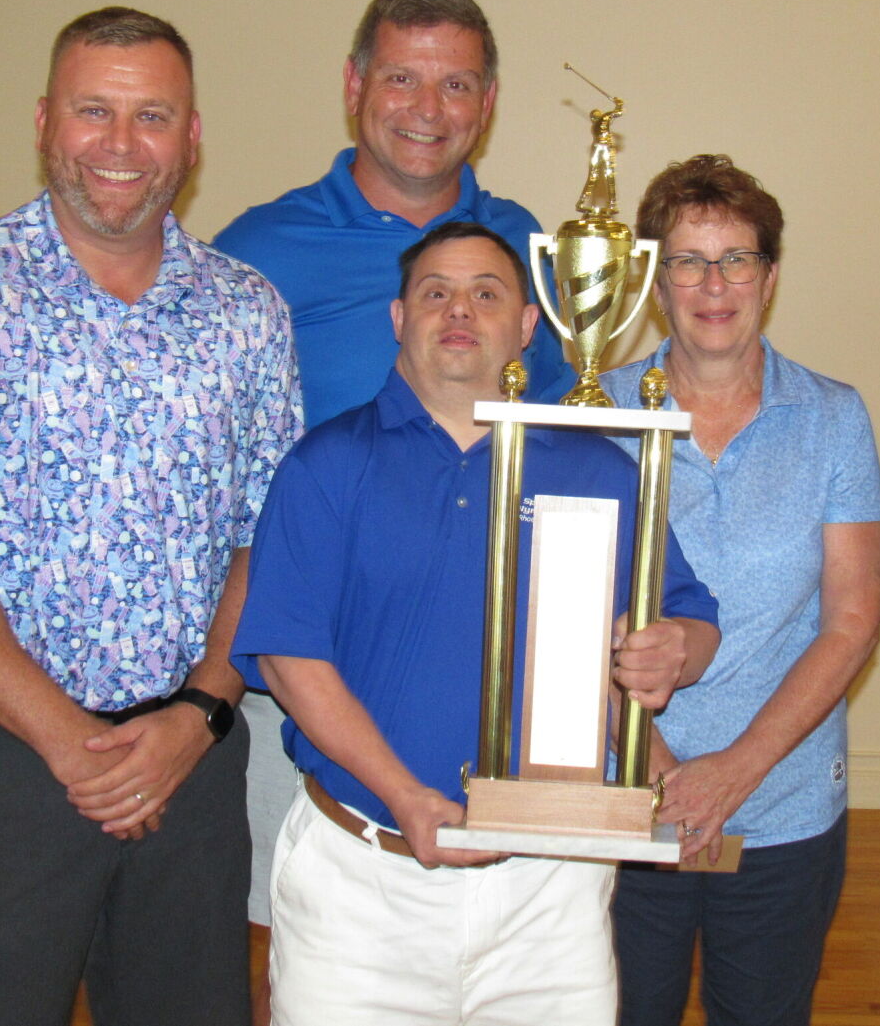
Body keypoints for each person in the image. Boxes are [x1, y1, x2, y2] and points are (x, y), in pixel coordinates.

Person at [0, 7, 301, 1025]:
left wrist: (198, 714)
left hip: (193, 763)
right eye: (94, 111)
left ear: (192, 134)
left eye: (152, 115)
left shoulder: (246, 312)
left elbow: (268, 540)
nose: (121, 145)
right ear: (45, 122)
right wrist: (69, 744)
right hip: (4, 763)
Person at [231, 221, 720, 1026]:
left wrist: (676, 649)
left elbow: (691, 619)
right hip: (363, 877)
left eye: (486, 294)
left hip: (550, 893)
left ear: (529, 325)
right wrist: (407, 796)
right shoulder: (324, 465)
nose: (459, 310)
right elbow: (288, 660)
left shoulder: (596, 465)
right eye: (435, 292)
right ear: (398, 318)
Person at [211, 0, 572, 977]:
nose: (427, 108)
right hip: (301, 670)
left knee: (486, 946)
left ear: (487, 104)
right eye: (403, 78)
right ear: (354, 85)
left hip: (467, 666)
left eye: (455, 84)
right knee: (299, 941)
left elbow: (553, 445)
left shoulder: (523, 245)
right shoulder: (258, 250)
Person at [600, 155, 880, 1026]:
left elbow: (851, 621)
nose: (713, 283)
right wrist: (664, 776)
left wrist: (733, 773)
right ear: (657, 279)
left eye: (736, 258)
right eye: (688, 259)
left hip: (784, 808)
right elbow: (567, 616)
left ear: (770, 275)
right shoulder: (596, 413)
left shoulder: (835, 419)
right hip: (624, 803)